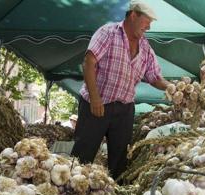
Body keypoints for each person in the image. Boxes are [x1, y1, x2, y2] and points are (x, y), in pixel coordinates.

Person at [70, 0, 169, 179]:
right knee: (83, 155)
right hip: (96, 105)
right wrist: (95, 98)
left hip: (124, 110)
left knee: (119, 161)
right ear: (133, 15)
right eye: (146, 21)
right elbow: (89, 62)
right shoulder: (108, 33)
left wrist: (175, 88)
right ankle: (71, 191)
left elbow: (155, 77)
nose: (148, 27)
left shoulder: (145, 47)